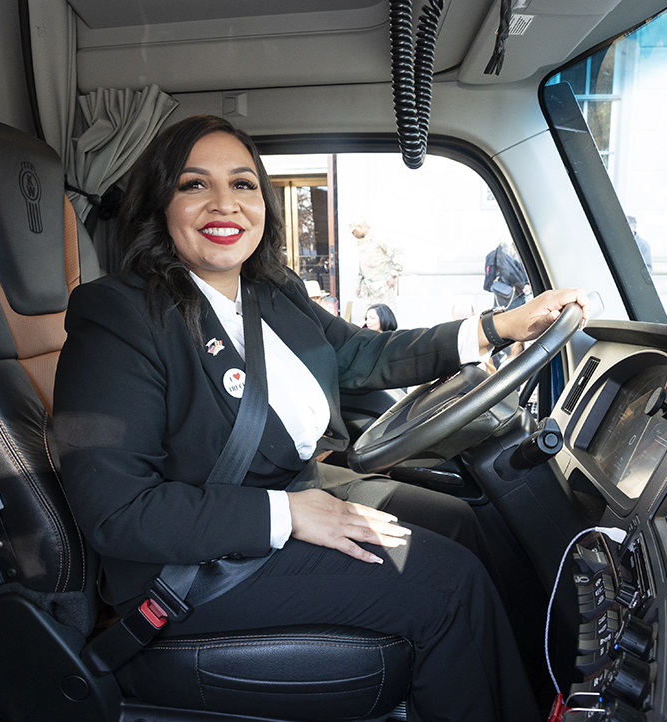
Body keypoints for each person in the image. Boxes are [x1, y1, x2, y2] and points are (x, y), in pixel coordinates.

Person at [52, 114, 590, 722]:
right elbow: (118, 511)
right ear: (160, 204)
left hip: (297, 488)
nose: (225, 203)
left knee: (463, 523)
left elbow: (361, 353)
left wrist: (500, 327)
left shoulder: (271, 290)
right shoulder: (119, 316)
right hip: (194, 563)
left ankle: (546, 697)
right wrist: (287, 513)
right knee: (447, 585)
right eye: (194, 184)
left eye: (243, 184)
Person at [351, 219, 402, 309]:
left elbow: (398, 254)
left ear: (360, 227)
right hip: (368, 290)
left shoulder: (378, 236)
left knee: (385, 315)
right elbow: (363, 265)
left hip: (383, 288)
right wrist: (358, 284)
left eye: (353, 231)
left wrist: (394, 275)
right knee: (369, 316)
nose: (353, 234)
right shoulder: (361, 242)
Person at [483, 241, 530, 311]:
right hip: (515, 296)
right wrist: (524, 285)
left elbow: (488, 283)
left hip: (502, 295)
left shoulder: (495, 254)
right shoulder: (504, 254)